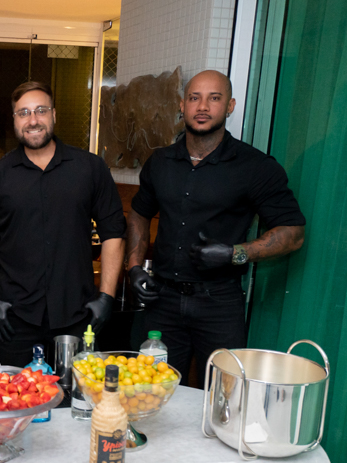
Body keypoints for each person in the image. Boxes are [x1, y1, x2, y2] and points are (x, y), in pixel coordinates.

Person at [126, 70, 306, 385]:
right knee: (149, 392)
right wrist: (134, 267)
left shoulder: (255, 167)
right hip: (162, 301)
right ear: (182, 105)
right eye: (194, 98)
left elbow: (293, 234)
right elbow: (139, 213)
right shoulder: (160, 162)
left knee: (226, 395)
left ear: (230, 105)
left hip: (219, 304)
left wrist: (234, 253)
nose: (203, 106)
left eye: (214, 98)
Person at [0, 81, 126, 368]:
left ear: (54, 115)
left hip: (78, 316)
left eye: (40, 110)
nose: (33, 120)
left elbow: (114, 233)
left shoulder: (90, 168)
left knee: (77, 392)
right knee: (14, 393)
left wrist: (107, 297)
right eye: (23, 112)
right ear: (14, 120)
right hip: (14, 318)